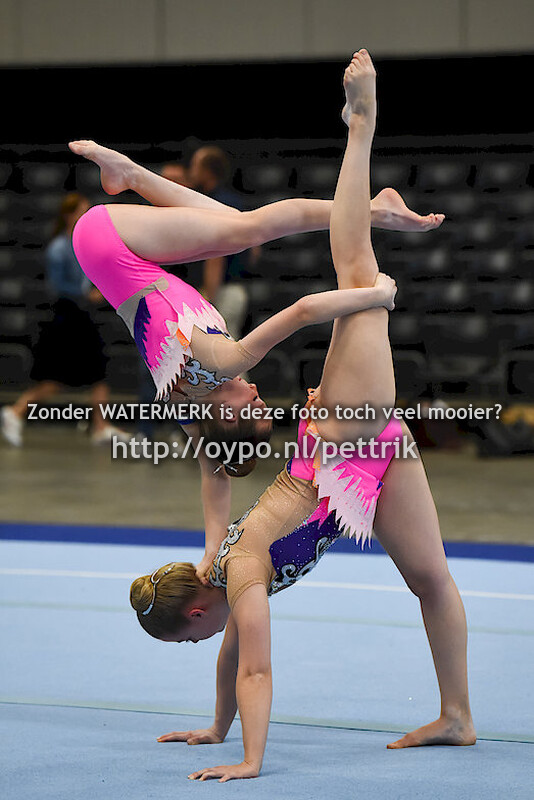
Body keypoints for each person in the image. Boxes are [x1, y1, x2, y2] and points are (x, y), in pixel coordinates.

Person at [129, 51, 475, 783]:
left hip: (347, 438)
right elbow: (231, 656)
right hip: (354, 457)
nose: (202, 646)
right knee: (431, 579)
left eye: (189, 641)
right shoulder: (222, 576)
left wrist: (249, 760)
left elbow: (254, 667)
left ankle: (361, 124)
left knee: (355, 272)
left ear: (197, 613)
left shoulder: (238, 573)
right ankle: (457, 716)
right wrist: (215, 727)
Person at [0, 192, 128, 447]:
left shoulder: (82, 244)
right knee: (57, 379)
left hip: (82, 315)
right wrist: (86, 294)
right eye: (81, 211)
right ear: (69, 215)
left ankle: (100, 426)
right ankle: (16, 411)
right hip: (68, 317)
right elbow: (57, 286)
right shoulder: (59, 248)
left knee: (99, 371)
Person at [189, 146, 252, 339]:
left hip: (220, 291)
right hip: (236, 289)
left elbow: (216, 255)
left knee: (219, 349)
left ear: (208, 171)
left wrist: (209, 297)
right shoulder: (235, 201)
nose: (191, 171)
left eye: (195, 166)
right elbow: (255, 249)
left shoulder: (213, 204)